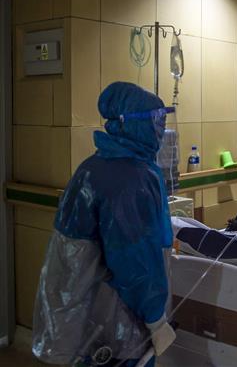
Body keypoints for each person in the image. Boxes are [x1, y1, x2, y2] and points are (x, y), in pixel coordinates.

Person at [32, 82, 176, 366]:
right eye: (157, 120)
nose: (162, 128)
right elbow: (135, 262)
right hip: (116, 321)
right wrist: (156, 320)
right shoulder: (131, 179)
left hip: (84, 316)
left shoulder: (92, 166)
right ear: (132, 123)